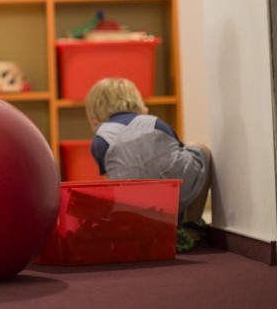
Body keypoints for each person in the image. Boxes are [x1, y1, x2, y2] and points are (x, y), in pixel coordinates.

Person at [84, 77, 212, 250]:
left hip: (133, 206)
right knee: (201, 151)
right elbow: (178, 158)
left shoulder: (100, 139)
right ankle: (192, 225)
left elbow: (113, 184)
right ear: (138, 104)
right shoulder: (153, 122)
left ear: (95, 118)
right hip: (174, 193)